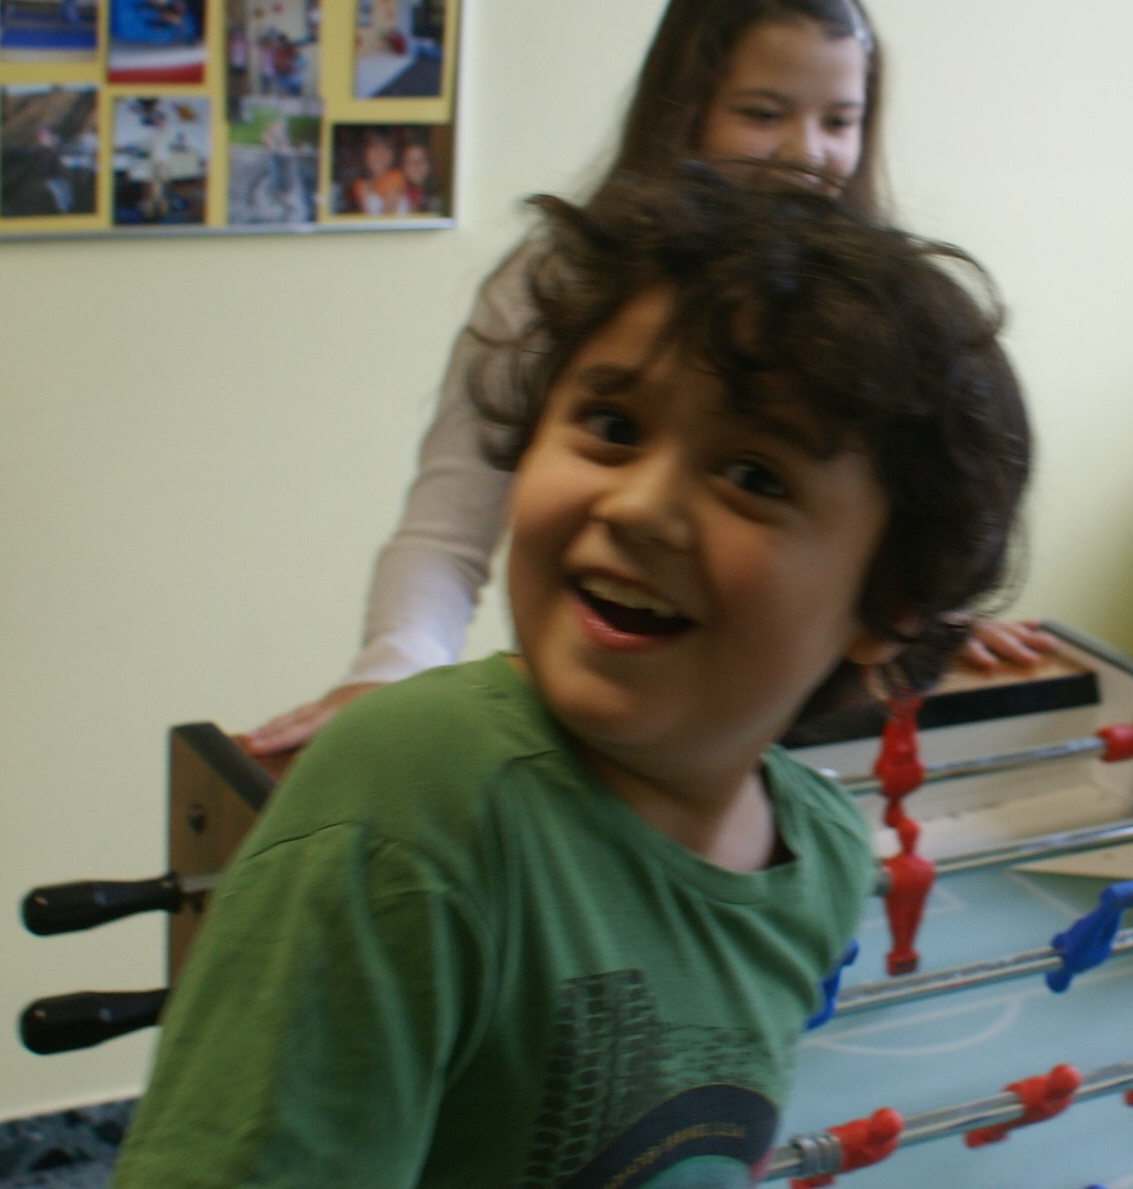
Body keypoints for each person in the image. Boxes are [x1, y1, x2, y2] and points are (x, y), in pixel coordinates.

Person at [113, 169, 1034, 1186]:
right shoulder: (420, 795)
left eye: (754, 476)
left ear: (888, 603)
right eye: (613, 427)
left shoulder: (817, 855)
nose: (638, 506)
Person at [246, 0, 1046, 755]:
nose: (808, 153)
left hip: (784, 748)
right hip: (622, 730)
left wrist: (922, 614)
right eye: (763, 114)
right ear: (684, 109)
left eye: (839, 120)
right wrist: (391, 673)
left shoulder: (874, 319)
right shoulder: (565, 282)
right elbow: (445, 536)